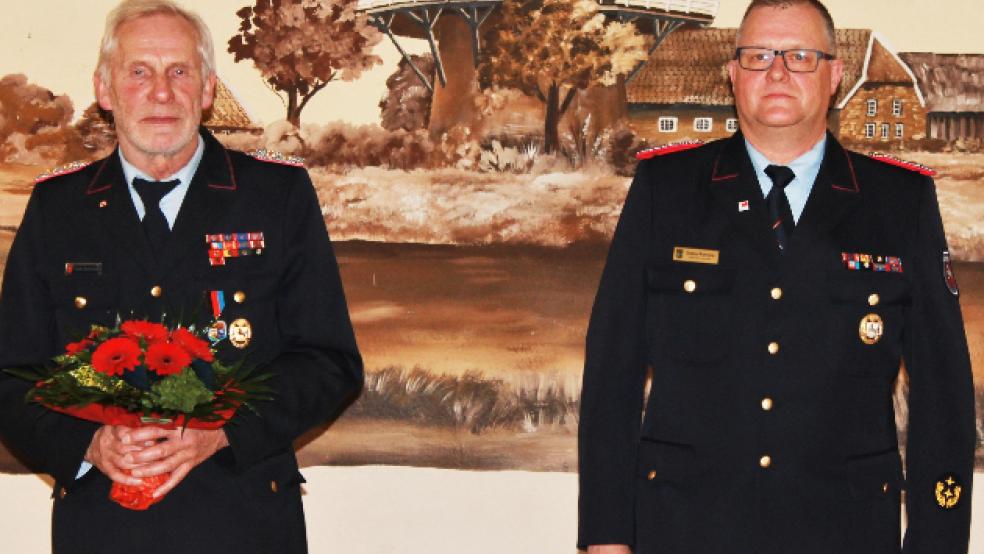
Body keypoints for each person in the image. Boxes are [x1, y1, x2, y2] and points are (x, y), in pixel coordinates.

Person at [577, 1, 976, 553]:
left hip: (845, 533)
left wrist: (937, 543)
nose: (778, 71)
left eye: (800, 56)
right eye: (759, 55)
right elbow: (612, 374)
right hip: (685, 528)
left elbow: (944, 395)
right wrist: (606, 535)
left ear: (835, 75)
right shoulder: (665, 190)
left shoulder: (899, 203)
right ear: (733, 74)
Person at [0, 1, 362, 553]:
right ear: (105, 89)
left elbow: (330, 362)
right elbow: (10, 376)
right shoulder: (59, 208)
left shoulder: (276, 197)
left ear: (208, 89)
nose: (161, 92)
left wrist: (222, 433)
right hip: (103, 527)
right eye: (139, 71)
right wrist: (90, 444)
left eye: (179, 72)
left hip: (244, 522)